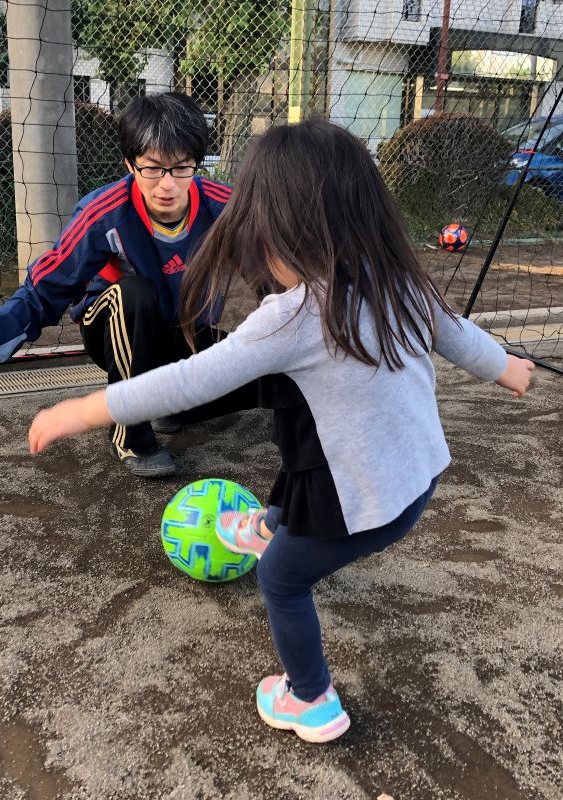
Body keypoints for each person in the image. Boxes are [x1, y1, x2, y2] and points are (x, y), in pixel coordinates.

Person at [27, 120, 535, 743]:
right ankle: (269, 525)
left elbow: (187, 383)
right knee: (298, 415)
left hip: (363, 504)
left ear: (276, 228)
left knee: (282, 579)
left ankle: (312, 700)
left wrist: (82, 411)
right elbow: (461, 337)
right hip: (418, 475)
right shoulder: (398, 279)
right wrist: (510, 368)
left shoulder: (292, 316)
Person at [0, 91, 256, 478]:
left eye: (181, 168)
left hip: (185, 334)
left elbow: (275, 275)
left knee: (269, 372)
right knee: (137, 293)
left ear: (196, 164)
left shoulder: (225, 208)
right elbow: (45, 289)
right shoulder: (104, 213)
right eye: (153, 168)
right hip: (118, 330)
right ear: (131, 164)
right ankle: (130, 431)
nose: (167, 184)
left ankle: (169, 402)